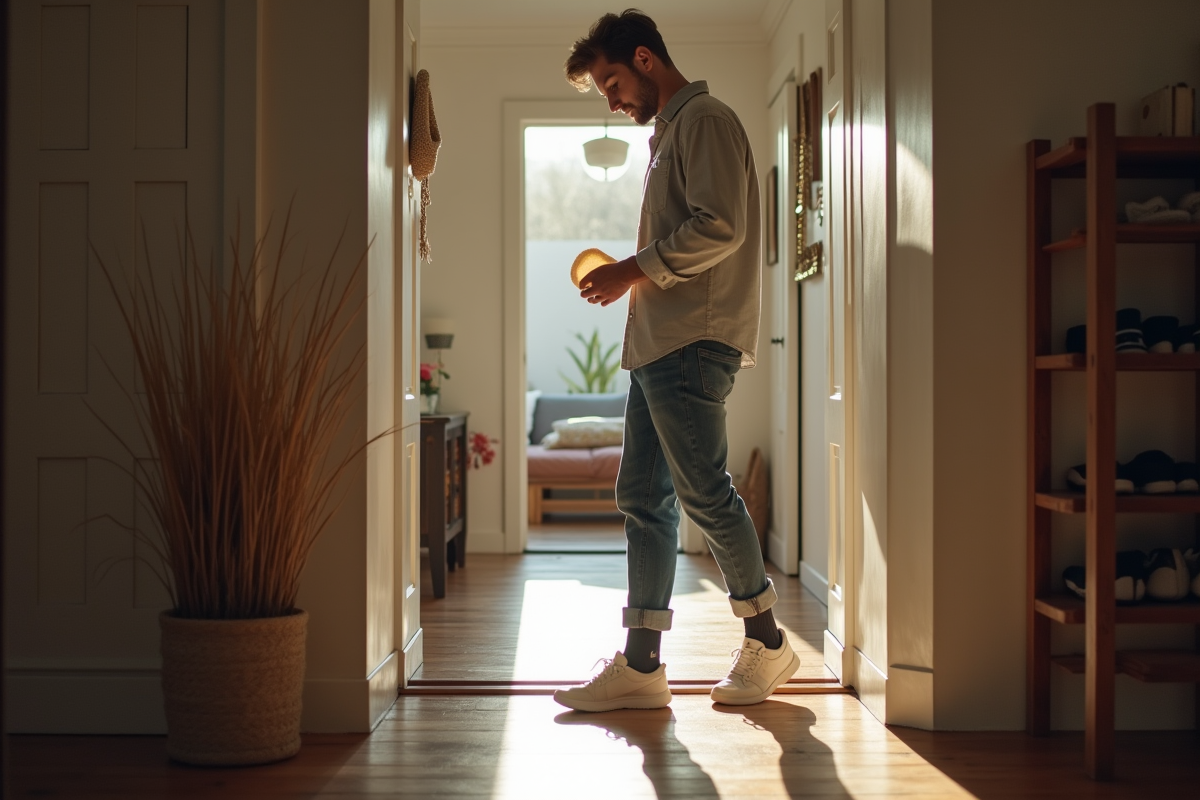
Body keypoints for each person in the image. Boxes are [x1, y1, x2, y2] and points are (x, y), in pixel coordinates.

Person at [553, 9, 799, 713]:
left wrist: (630, 270)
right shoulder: (669, 137)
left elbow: (720, 226)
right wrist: (630, 275)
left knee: (703, 494)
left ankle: (770, 643)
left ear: (644, 59)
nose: (612, 100)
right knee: (643, 499)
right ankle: (641, 664)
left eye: (611, 82)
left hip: (692, 341)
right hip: (661, 345)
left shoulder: (706, 121)